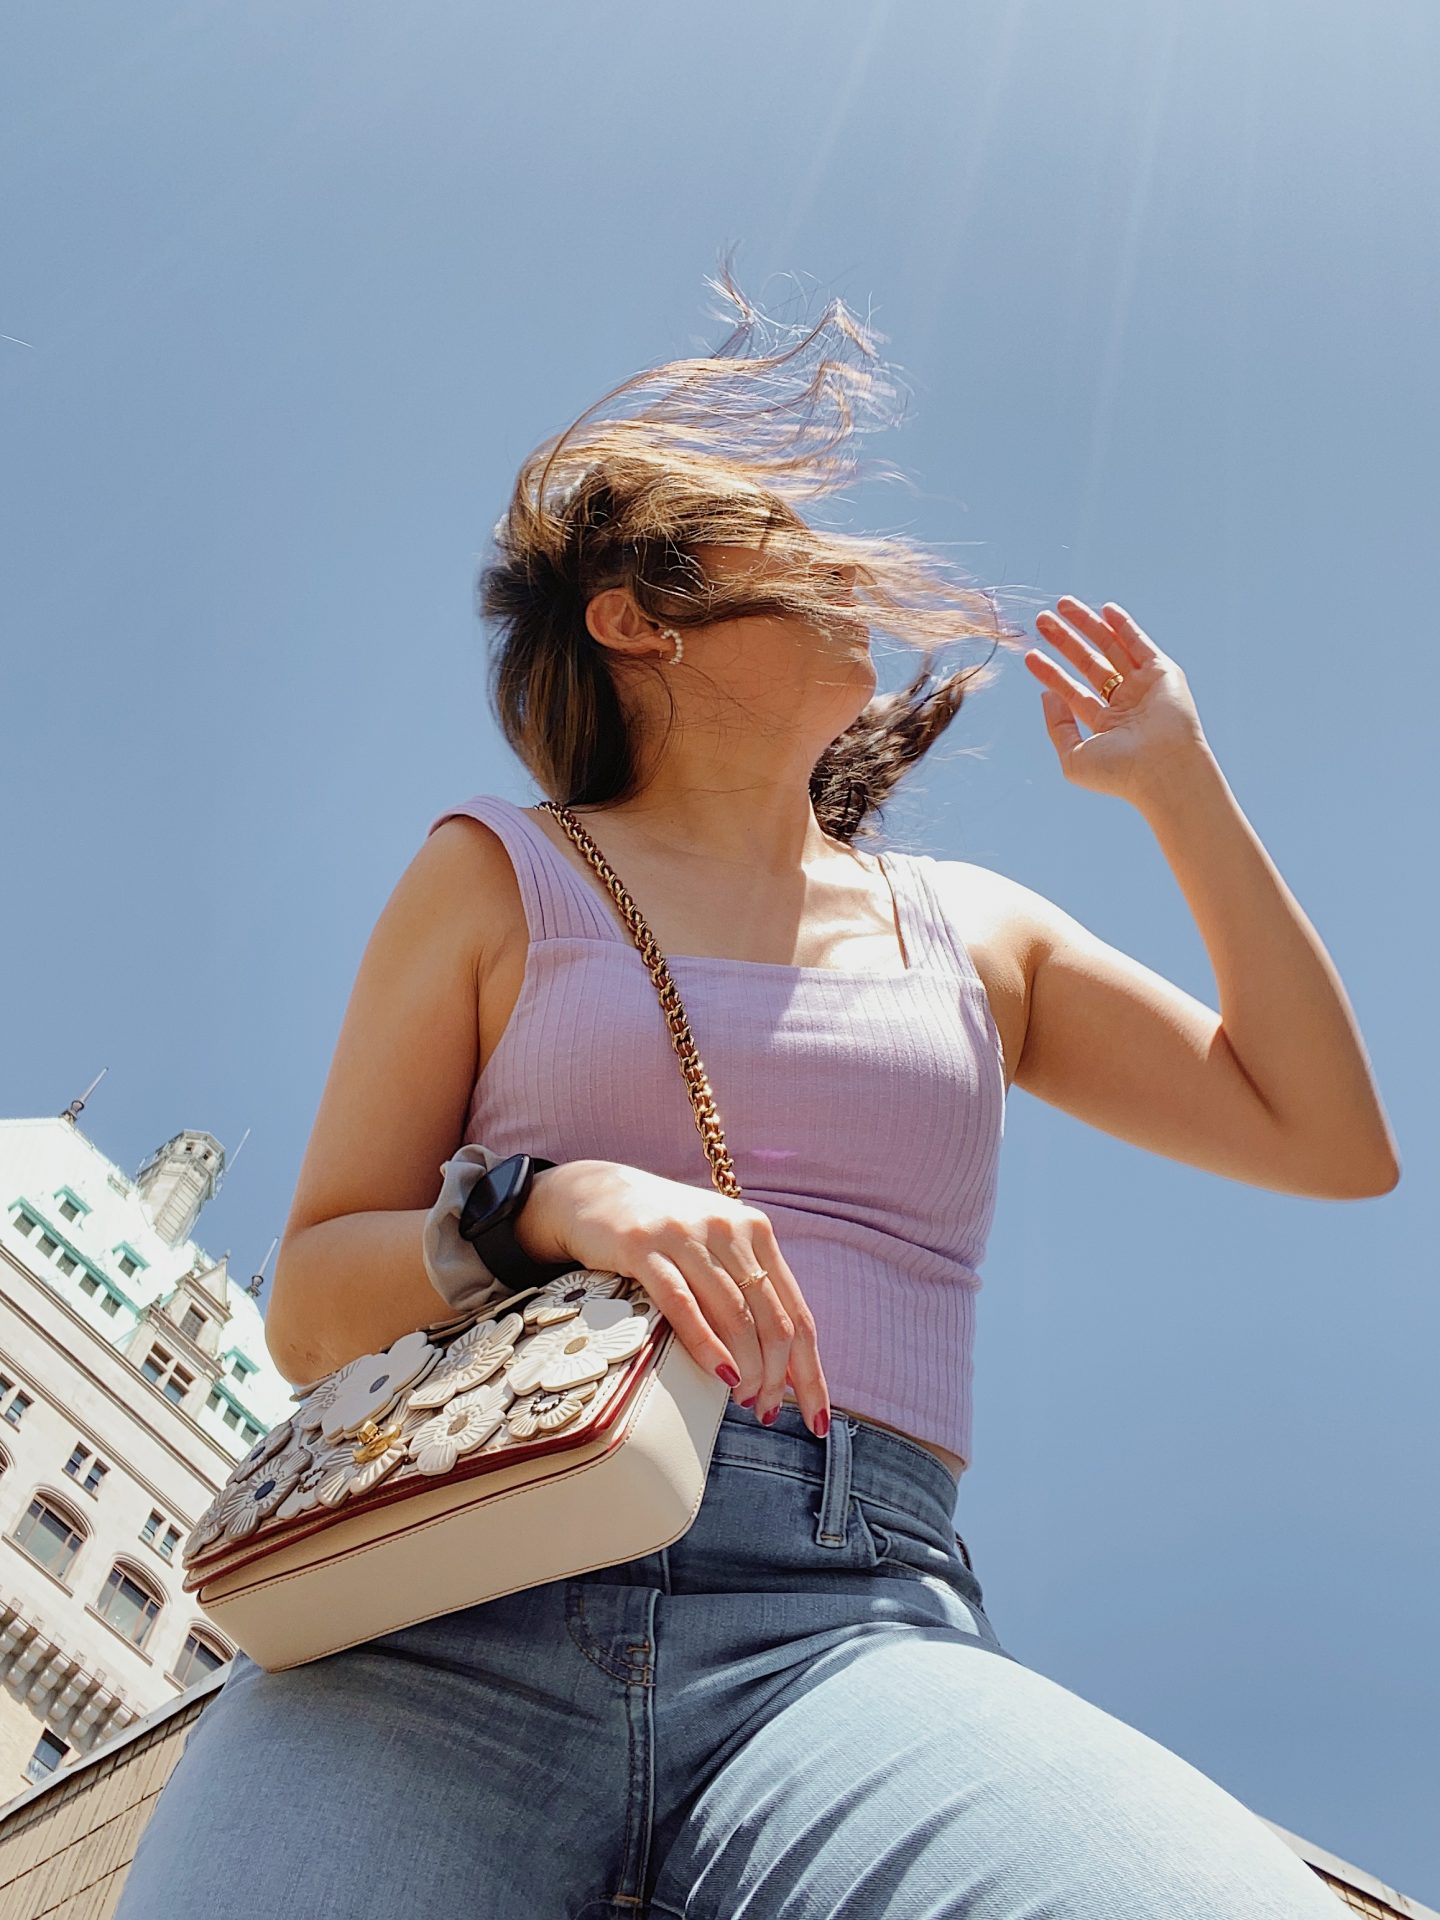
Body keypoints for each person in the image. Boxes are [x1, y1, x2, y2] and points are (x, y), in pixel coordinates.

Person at [117, 278, 1397, 1918]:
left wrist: (1177, 779)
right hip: (443, 1617)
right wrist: (554, 1203)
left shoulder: (972, 930)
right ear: (635, 619)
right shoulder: (498, 873)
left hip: (851, 1622)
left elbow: (1331, 1141)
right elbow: (308, 1306)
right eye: (775, 550)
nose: (840, 572)